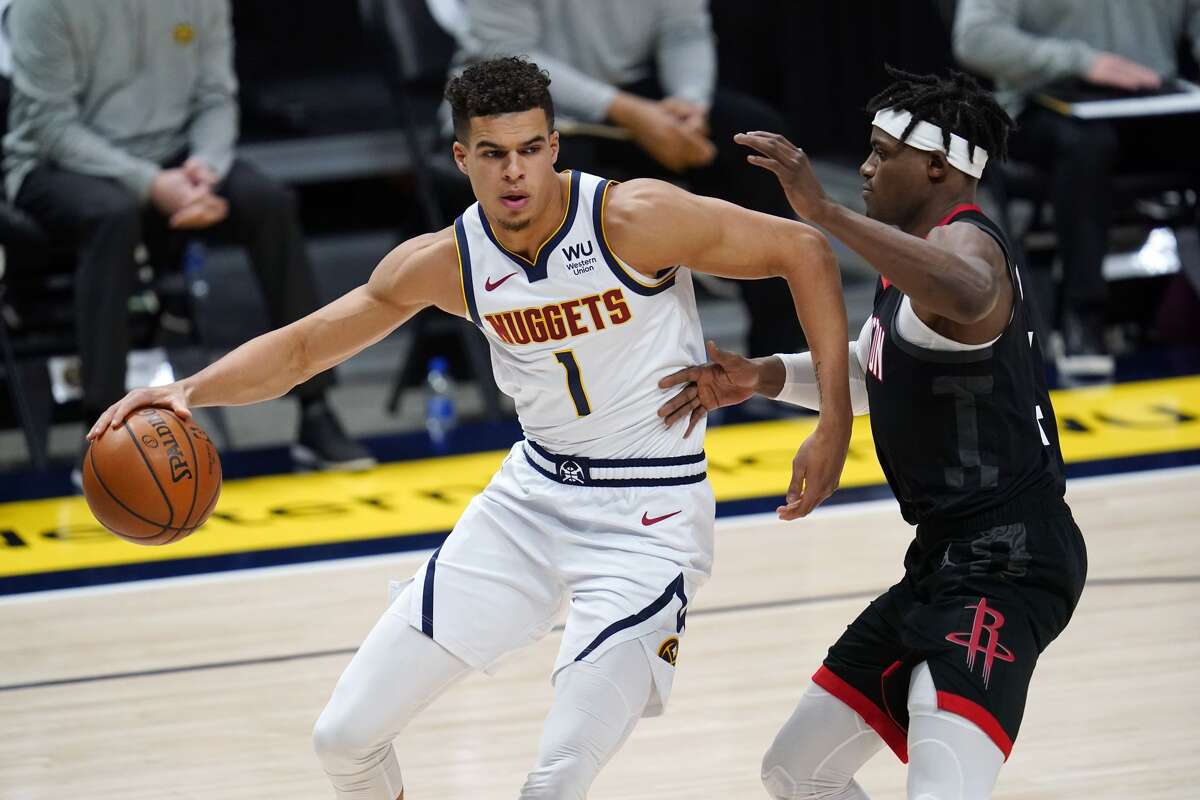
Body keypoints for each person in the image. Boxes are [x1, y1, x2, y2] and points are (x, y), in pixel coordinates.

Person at [87, 57, 853, 799]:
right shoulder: (448, 261)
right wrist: (188, 390)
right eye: (493, 154)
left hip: (648, 521)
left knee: (553, 784)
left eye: (529, 151)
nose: (514, 172)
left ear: (555, 147)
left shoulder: (634, 218)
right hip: (529, 503)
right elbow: (303, 347)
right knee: (343, 741)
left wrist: (833, 423)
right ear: (462, 158)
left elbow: (804, 251)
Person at [658, 68, 1087, 798]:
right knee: (798, 771)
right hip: (943, 559)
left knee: (941, 781)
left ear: (938, 168)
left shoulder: (968, 250)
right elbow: (876, 366)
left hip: (1008, 563)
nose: (864, 166)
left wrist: (823, 212)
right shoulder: (910, 265)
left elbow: (973, 290)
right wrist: (759, 377)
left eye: (883, 152)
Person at [3, 0, 373, 473]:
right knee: (112, 216)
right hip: (58, 165)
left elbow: (216, 96)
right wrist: (151, 184)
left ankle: (317, 411)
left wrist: (206, 170)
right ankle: (100, 430)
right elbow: (51, 127)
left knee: (269, 203)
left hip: (179, 161)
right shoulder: (42, 7)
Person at [454, 0, 808, 359]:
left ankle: (778, 360)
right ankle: (584, 359)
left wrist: (689, 106)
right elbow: (509, 56)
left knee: (756, 143)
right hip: (516, 110)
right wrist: (630, 113)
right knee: (559, 179)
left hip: (638, 95)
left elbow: (684, 32)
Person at [953, 0, 1200, 376]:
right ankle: (1081, 317)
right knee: (1087, 145)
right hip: (1043, 104)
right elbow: (976, 37)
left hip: (1153, 97)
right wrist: (1082, 61)